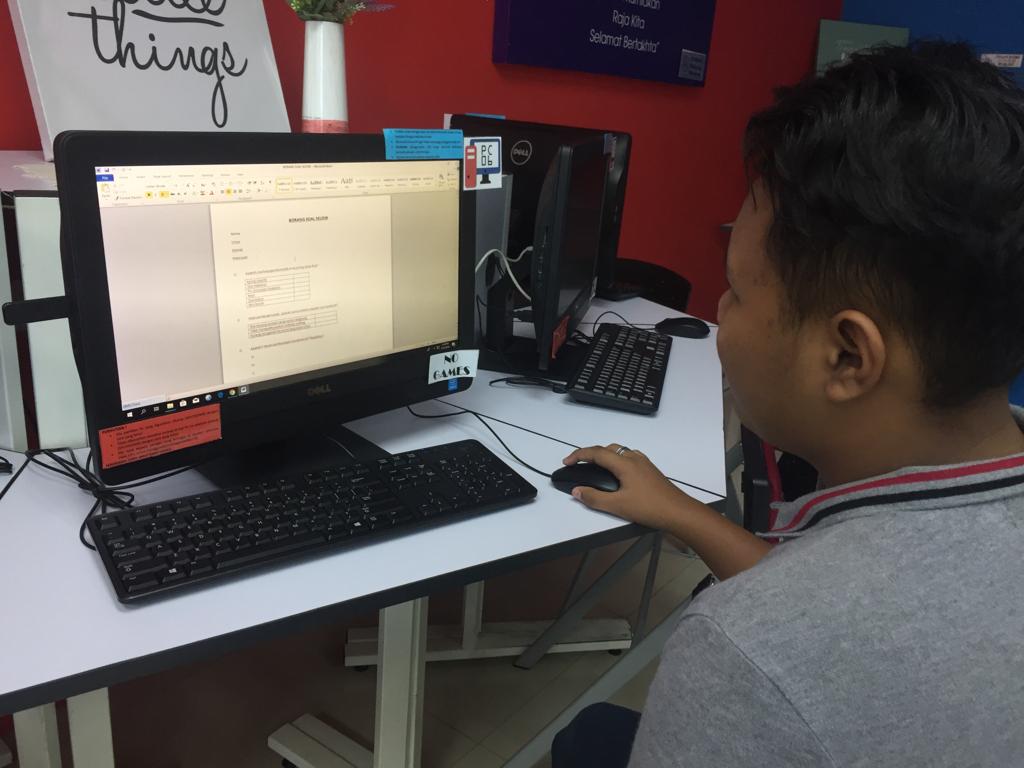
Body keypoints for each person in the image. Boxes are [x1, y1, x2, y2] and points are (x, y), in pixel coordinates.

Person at [553, 41, 1024, 767]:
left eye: (737, 290)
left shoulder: (745, 657)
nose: (720, 310)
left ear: (847, 357)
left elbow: (804, 638)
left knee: (582, 737)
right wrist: (684, 512)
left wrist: (751, 624)